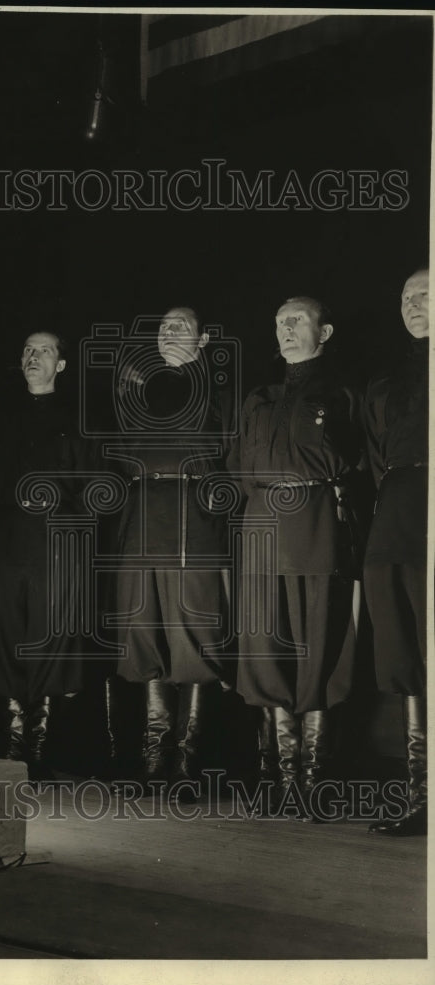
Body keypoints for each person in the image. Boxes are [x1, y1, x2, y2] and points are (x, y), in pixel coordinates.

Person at [235, 296, 364, 816]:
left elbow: (357, 464)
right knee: (265, 649)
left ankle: (311, 783)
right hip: (262, 530)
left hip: (315, 526)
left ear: (325, 331)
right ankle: (281, 781)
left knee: (315, 650)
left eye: (298, 320)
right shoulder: (259, 397)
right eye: (279, 322)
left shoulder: (343, 394)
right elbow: (239, 465)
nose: (286, 329)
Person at [112, 307, 236, 796]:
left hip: (193, 527)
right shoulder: (135, 394)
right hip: (142, 526)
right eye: (163, 325)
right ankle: (152, 757)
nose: (169, 331)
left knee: (196, 641)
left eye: (181, 325)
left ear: (203, 339)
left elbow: (233, 461)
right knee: (144, 641)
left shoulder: (219, 395)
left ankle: (187, 762)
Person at [0, 332, 90, 780]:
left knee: (50, 641)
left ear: (61, 365)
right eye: (26, 349)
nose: (32, 356)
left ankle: (37, 752)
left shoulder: (77, 421)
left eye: (43, 350)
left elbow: (91, 488)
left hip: (56, 545)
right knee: (0, 639)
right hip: (6, 543)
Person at [365, 268, 429, 836]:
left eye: (425, 293)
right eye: (406, 295)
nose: (413, 302)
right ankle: (420, 797)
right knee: (403, 653)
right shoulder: (387, 386)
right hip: (394, 518)